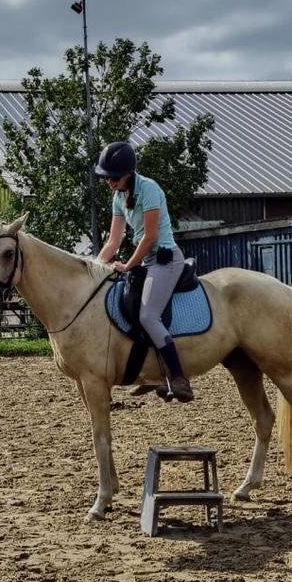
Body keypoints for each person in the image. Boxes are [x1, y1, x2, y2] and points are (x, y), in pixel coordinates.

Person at [95, 141, 194, 402]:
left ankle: (179, 377)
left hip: (165, 259)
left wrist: (128, 265)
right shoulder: (118, 197)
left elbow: (149, 237)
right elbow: (113, 241)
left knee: (148, 315)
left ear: (128, 173)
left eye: (114, 177)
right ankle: (152, 375)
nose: (110, 182)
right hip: (144, 262)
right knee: (129, 310)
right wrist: (93, 267)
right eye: (107, 177)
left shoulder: (149, 189)